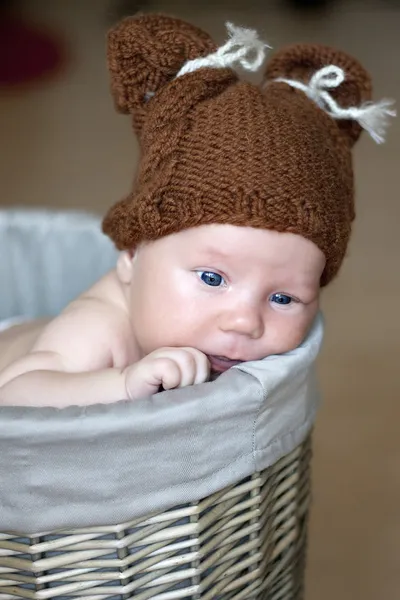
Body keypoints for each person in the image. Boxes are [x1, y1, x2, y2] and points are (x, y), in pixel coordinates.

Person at [0, 15, 394, 407]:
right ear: (132, 256)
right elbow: (16, 394)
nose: (245, 322)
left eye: (284, 299)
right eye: (211, 277)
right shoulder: (98, 328)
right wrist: (122, 384)